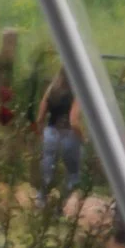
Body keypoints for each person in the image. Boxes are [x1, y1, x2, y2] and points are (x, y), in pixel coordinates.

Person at [39, 71, 86, 203]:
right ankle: (64, 205)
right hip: (69, 134)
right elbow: (74, 121)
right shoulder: (77, 92)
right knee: (72, 174)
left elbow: (40, 117)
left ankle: (41, 202)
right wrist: (83, 138)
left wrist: (41, 133)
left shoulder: (51, 89)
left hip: (50, 132)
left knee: (47, 170)